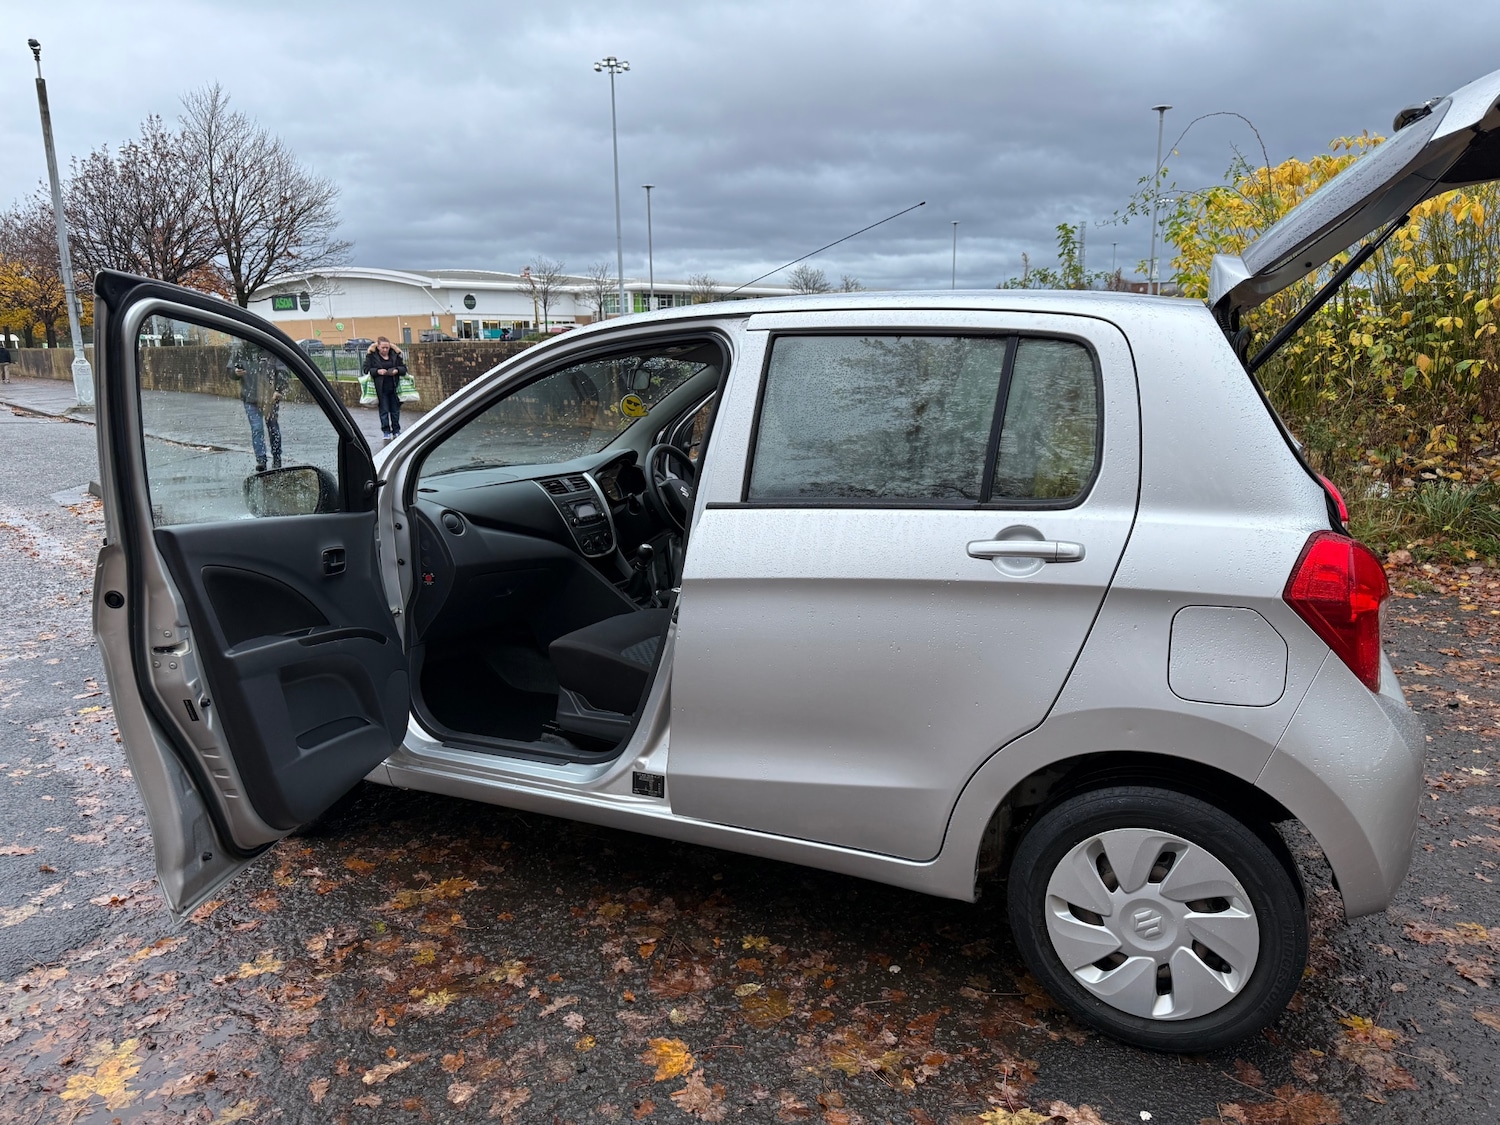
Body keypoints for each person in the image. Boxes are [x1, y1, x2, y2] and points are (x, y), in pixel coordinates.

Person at [229, 344, 288, 473]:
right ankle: (261, 460)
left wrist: (279, 389)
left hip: (269, 396)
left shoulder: (270, 349)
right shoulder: (240, 350)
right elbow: (230, 369)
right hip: (249, 398)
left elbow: (283, 370)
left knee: (273, 427)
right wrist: (235, 372)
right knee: (257, 428)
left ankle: (277, 457)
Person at [363, 336, 407, 440]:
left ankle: (396, 430)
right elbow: (366, 369)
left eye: (387, 347)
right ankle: (386, 431)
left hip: (394, 387)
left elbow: (404, 368)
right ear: (378, 347)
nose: (385, 350)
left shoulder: (395, 355)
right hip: (381, 388)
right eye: (383, 348)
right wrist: (377, 371)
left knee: (395, 411)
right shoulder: (372, 357)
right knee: (384, 411)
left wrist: (397, 370)